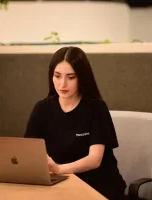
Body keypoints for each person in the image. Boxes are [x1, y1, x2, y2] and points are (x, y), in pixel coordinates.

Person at [24, 46, 126, 200]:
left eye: (70, 77)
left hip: (97, 186)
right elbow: (29, 149)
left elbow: (95, 159)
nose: (62, 84)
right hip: (59, 185)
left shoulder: (96, 108)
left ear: (82, 78)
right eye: (57, 76)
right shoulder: (42, 108)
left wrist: (59, 169)